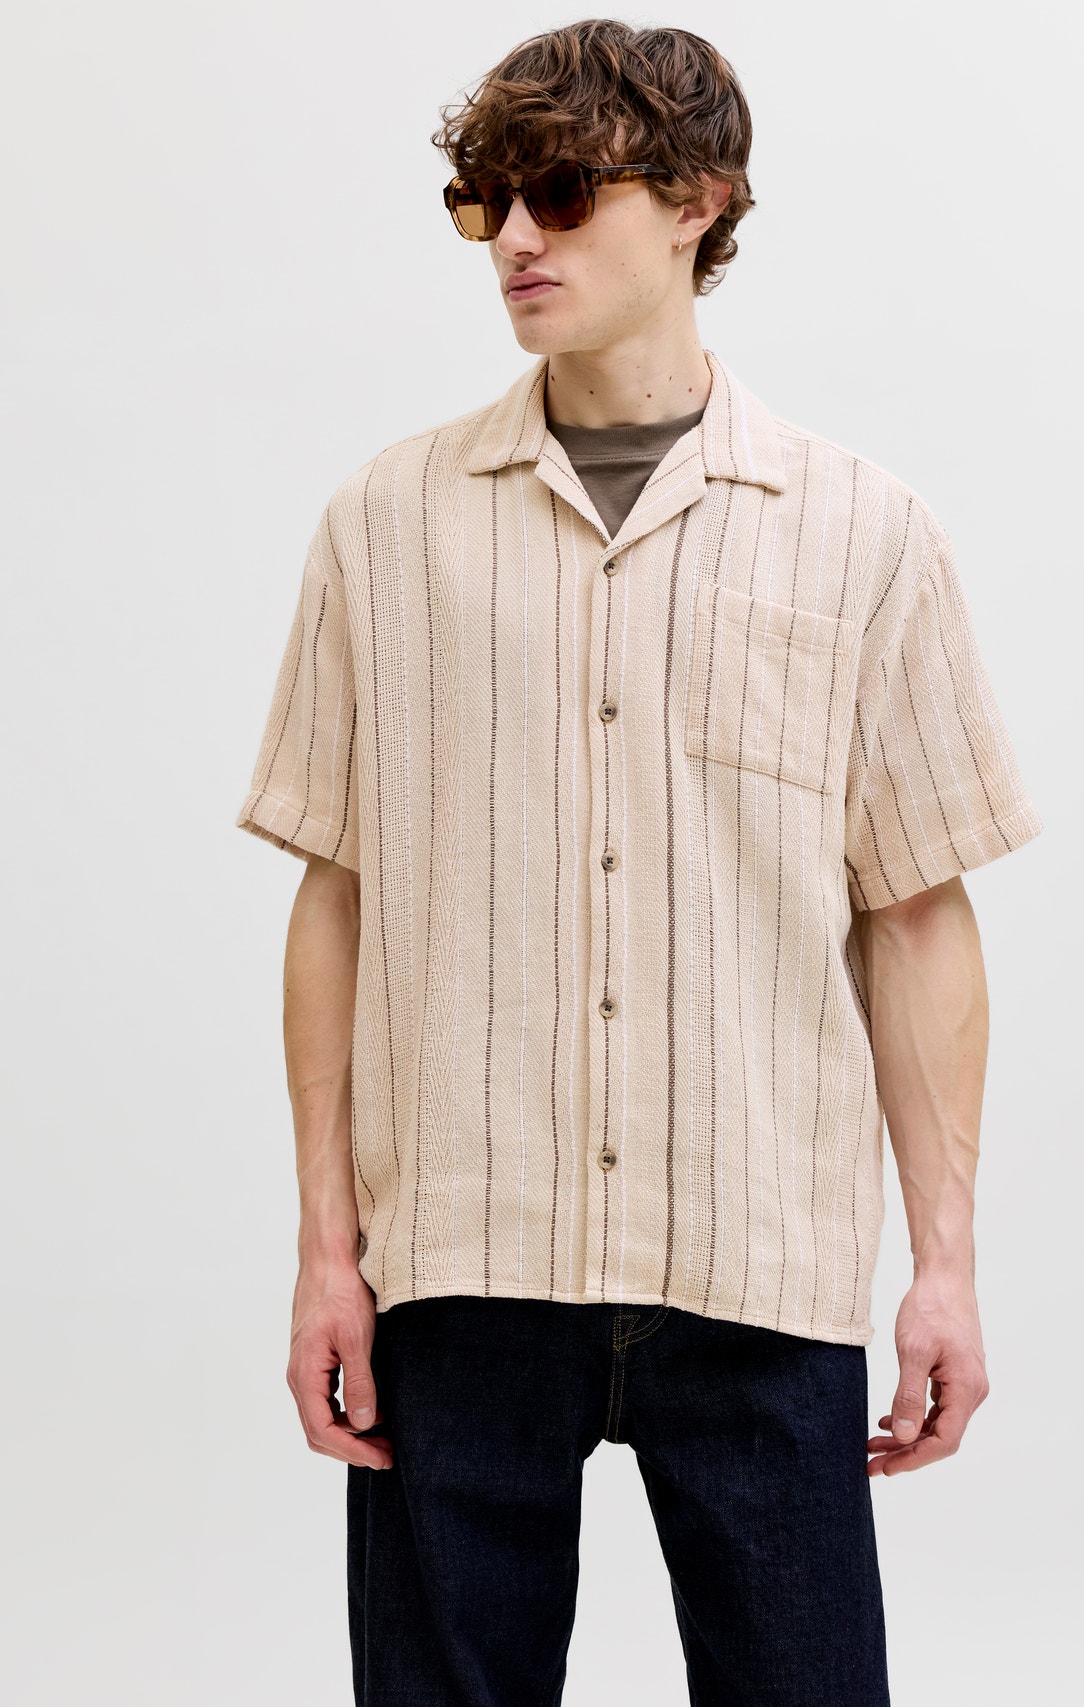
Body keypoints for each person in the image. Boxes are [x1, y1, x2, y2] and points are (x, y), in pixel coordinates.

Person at [234, 18, 1043, 1706]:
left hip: (758, 1259)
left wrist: (947, 1263)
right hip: (461, 1264)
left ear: (696, 201)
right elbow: (337, 893)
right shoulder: (385, 524)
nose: (513, 240)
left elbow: (914, 913)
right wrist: (325, 1250)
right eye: (485, 202)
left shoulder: (862, 533)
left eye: (560, 193)